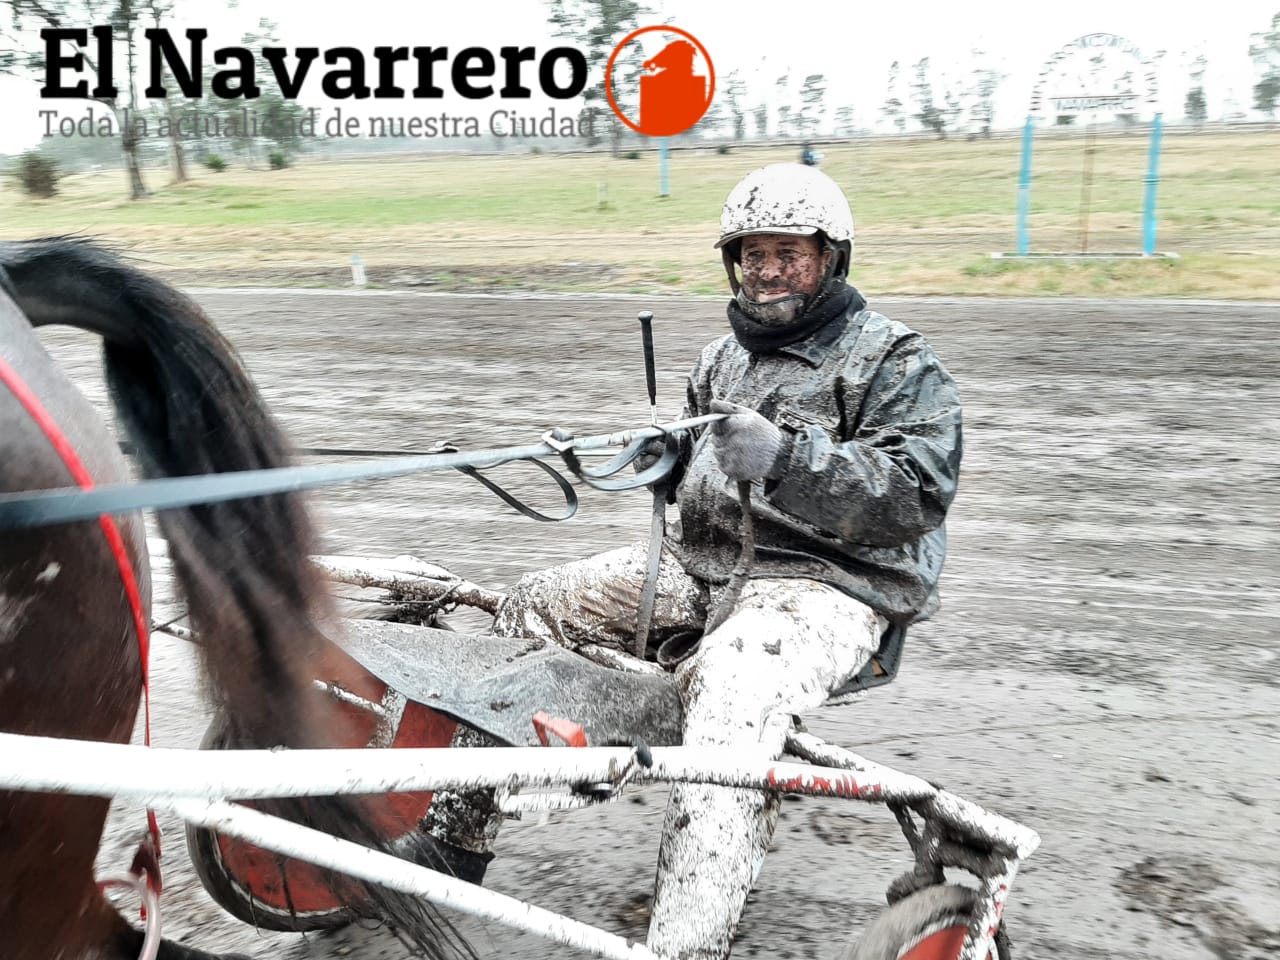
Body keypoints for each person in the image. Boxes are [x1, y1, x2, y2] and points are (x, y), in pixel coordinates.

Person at [434, 163, 963, 960]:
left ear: (829, 257)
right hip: (705, 567)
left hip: (829, 588)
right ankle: (455, 837)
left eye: (788, 253)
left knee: (731, 690)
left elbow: (915, 493)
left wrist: (786, 457)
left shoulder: (894, 361)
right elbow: (693, 475)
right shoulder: (721, 359)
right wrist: (654, 460)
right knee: (535, 603)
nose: (768, 271)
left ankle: (689, 945)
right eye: (753, 254)